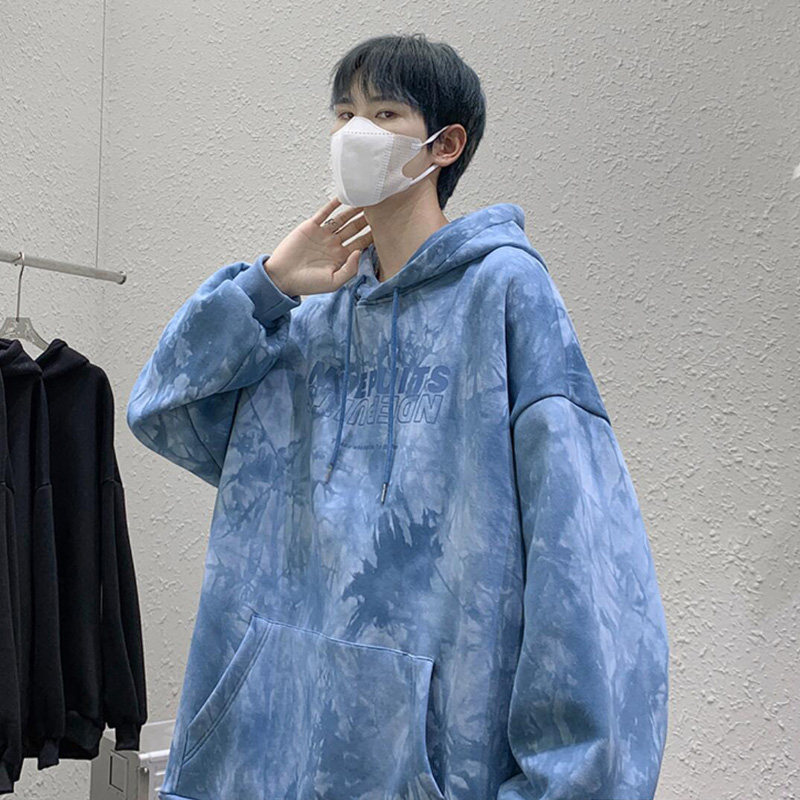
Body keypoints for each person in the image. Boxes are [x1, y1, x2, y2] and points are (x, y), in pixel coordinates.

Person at [128, 33, 669, 800]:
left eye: (384, 113)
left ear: (446, 144)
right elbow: (163, 410)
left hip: (425, 769)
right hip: (263, 759)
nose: (356, 132)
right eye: (343, 112)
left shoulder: (503, 294)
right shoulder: (308, 313)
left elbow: (581, 561)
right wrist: (268, 285)